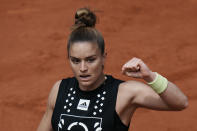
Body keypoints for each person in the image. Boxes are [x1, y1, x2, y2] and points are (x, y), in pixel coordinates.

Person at [37, 8, 188, 131]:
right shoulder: (59, 90)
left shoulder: (124, 93)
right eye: (76, 61)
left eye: (91, 60)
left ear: (104, 57)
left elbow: (180, 102)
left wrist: (150, 76)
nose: (83, 68)